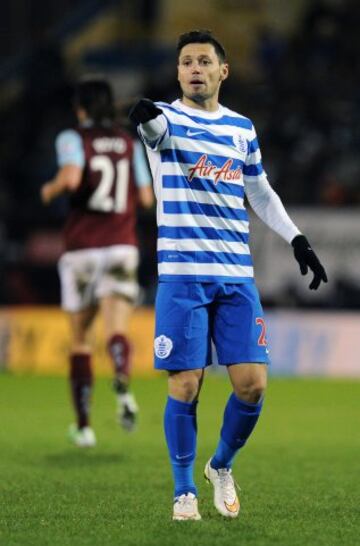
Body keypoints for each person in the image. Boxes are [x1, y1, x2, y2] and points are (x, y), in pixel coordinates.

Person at [129, 30, 327, 520]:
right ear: (178, 73)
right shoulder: (166, 120)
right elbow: (151, 131)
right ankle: (183, 491)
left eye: (203, 61)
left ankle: (220, 466)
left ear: (223, 71)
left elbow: (259, 192)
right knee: (185, 386)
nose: (194, 68)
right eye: (186, 62)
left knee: (253, 385)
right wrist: (142, 115)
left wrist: (297, 239)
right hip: (181, 276)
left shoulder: (241, 128)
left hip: (236, 276)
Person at [41, 78, 153, 447]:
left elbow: (72, 178)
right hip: (122, 245)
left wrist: (50, 188)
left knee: (80, 340)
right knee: (115, 328)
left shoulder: (72, 138)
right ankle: (121, 372)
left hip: (82, 248)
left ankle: (85, 426)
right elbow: (147, 199)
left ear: (81, 108)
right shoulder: (128, 143)